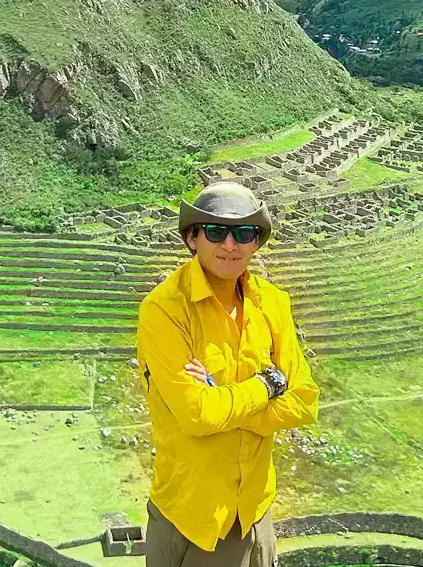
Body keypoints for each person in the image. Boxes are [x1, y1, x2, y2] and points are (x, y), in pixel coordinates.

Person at [136, 181, 319, 567]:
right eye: (216, 232)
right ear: (192, 238)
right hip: (191, 520)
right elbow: (197, 414)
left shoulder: (273, 304)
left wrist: (223, 401)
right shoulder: (165, 310)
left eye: (244, 233)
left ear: (257, 242)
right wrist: (268, 384)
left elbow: (304, 402)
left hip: (255, 514)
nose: (230, 245)